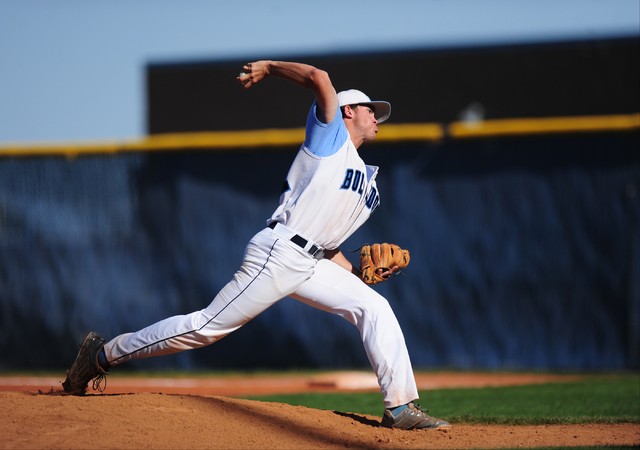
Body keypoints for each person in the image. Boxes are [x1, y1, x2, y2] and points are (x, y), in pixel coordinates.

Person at [62, 60, 450, 431]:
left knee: (374, 306)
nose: (377, 118)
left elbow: (326, 246)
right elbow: (319, 77)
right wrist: (270, 67)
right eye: (370, 110)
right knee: (206, 328)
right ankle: (102, 354)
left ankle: (400, 406)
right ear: (348, 111)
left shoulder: (368, 183)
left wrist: (359, 271)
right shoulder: (330, 136)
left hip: (311, 262)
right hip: (278, 253)